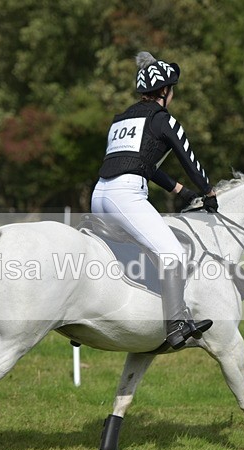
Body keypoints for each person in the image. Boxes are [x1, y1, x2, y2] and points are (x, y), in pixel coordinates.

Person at [92, 51, 217, 349]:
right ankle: (175, 325)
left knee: (142, 251)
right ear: (164, 91)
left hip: (100, 195)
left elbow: (142, 163)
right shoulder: (163, 119)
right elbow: (189, 158)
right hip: (126, 196)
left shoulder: (120, 120)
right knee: (173, 254)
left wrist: (179, 191)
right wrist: (207, 192)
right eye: (172, 89)